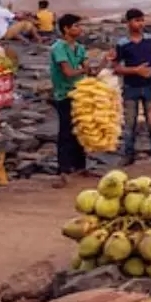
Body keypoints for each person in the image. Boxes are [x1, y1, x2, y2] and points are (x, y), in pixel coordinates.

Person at [114, 9, 151, 168]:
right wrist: (135, 70)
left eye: (142, 20)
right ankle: (128, 155)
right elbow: (116, 68)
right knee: (129, 124)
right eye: (136, 20)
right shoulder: (122, 44)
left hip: (150, 87)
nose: (140, 24)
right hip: (130, 87)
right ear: (128, 22)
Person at [49, 14, 92, 187]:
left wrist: (105, 61)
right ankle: (64, 169)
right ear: (66, 29)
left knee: (80, 130)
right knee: (66, 132)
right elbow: (68, 72)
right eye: (76, 26)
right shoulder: (58, 48)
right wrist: (84, 70)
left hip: (79, 93)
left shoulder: (80, 48)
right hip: (64, 94)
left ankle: (80, 166)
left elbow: (89, 70)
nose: (80, 29)